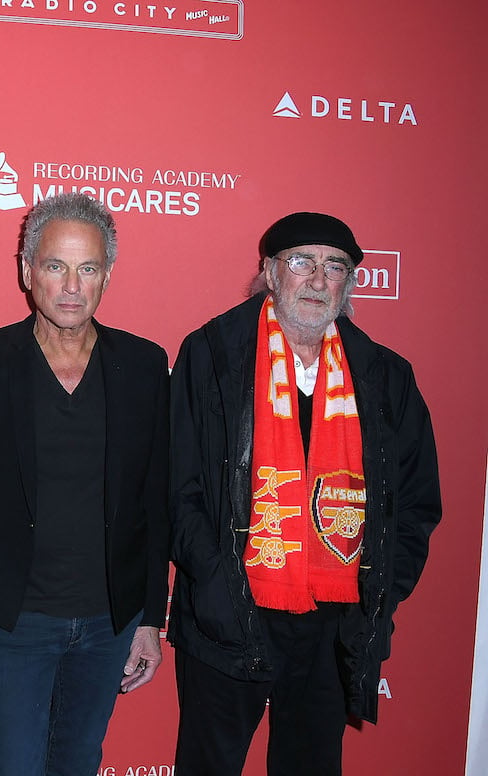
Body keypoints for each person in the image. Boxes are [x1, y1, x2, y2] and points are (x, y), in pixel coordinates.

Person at [167, 212, 442, 775]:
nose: (317, 280)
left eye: (334, 266)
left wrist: (380, 588)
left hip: (334, 621)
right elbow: (179, 486)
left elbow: (417, 501)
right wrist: (217, 588)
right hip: (229, 609)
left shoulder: (385, 376)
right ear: (269, 272)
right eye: (301, 262)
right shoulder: (213, 356)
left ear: (348, 283)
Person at [0, 192, 170, 776]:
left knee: (77, 765)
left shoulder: (145, 365)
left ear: (107, 276)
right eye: (55, 266)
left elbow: (155, 502)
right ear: (27, 271)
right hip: (12, 622)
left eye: (88, 268)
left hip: (108, 623)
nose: (72, 285)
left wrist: (151, 618)